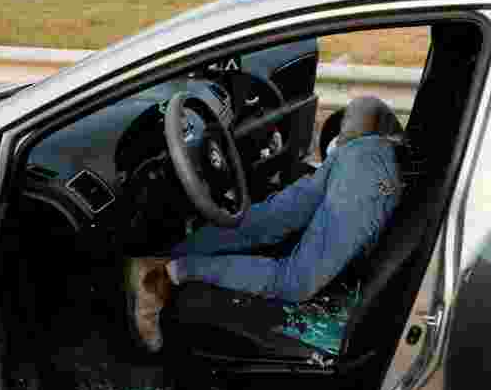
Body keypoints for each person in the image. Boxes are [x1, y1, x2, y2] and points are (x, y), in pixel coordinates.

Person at [125, 96, 404, 352]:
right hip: (374, 163)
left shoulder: (359, 152)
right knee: (296, 282)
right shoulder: (373, 168)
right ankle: (165, 273)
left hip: (363, 146)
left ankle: (166, 256)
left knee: (268, 221)